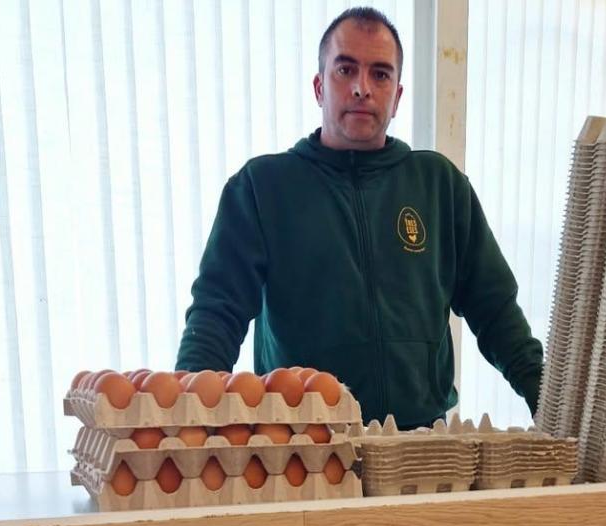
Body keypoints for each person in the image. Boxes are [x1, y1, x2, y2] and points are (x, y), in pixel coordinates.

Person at [176, 7, 542, 429]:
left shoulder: (440, 186)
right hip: (303, 451)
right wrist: (187, 418)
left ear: (398, 96)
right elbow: (216, 313)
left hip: (420, 446)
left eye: (380, 74)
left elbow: (496, 311)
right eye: (345, 70)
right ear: (319, 87)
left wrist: (547, 396)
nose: (361, 89)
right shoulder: (261, 188)